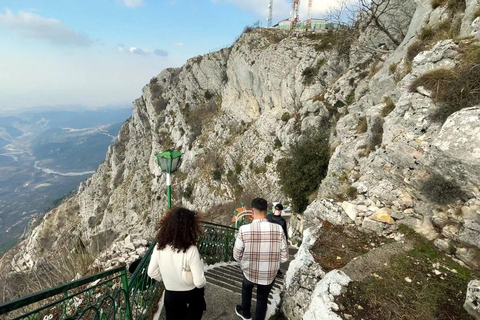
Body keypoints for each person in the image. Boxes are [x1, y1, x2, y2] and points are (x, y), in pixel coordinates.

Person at [233, 198, 289, 320]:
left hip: (249, 271)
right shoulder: (278, 229)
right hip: (269, 274)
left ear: (252, 212)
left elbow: (236, 255)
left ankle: (246, 313)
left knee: (246, 288)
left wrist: (244, 261)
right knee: (262, 299)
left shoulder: (244, 229)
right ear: (267, 211)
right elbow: (285, 257)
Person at [147, 207, 207, 320]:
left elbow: (151, 272)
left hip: (171, 294)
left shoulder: (159, 247)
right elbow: (199, 283)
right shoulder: (191, 249)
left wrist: (167, 279)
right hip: (191, 294)